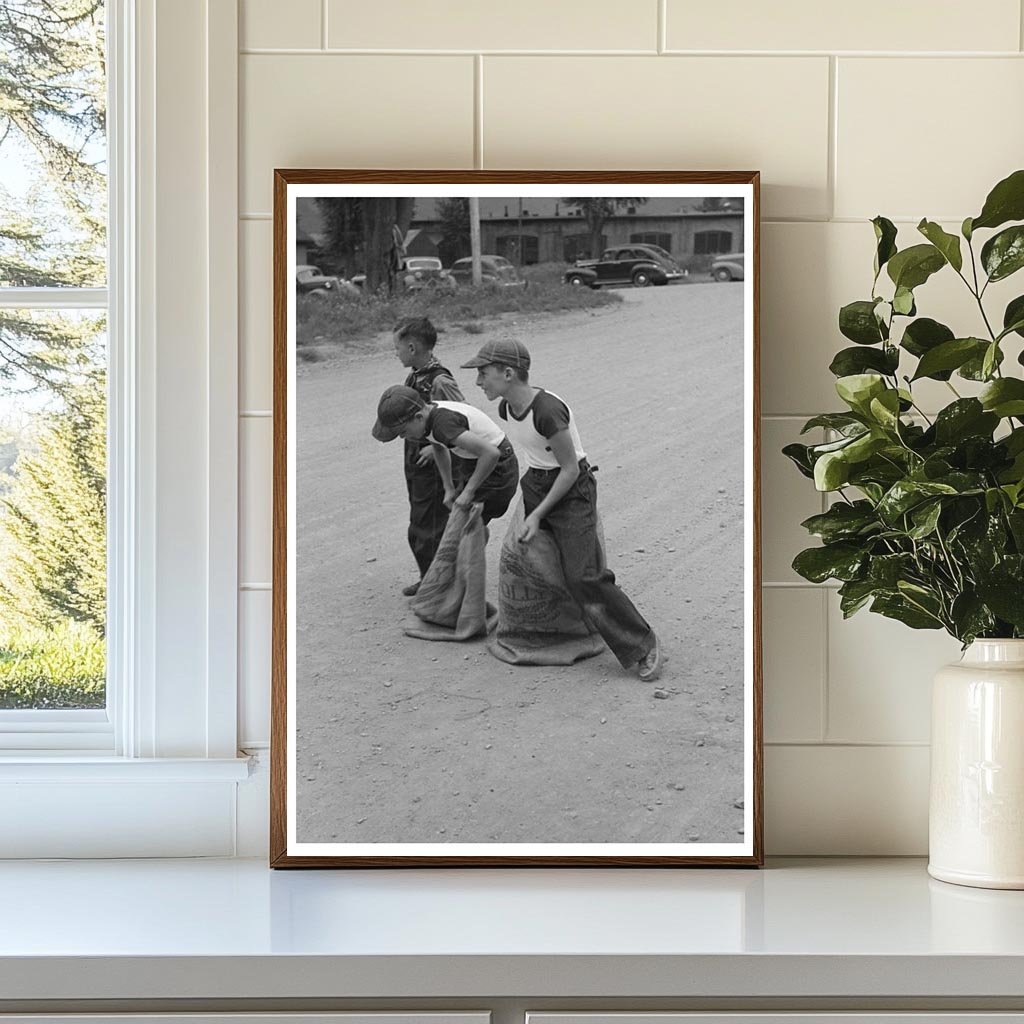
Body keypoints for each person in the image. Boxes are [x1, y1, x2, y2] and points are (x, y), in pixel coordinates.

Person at [461, 338, 662, 682]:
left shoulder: (547, 410)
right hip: (537, 484)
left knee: (584, 575)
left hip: (571, 492)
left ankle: (642, 644)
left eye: (484, 373)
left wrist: (537, 515)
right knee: (522, 559)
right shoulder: (507, 408)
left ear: (508, 373)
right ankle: (554, 631)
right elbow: (537, 458)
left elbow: (569, 469)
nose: (479, 382)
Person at [372, 317, 464, 597]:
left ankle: (439, 586)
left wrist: (435, 448)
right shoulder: (416, 375)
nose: (395, 353)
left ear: (411, 347)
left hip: (435, 463)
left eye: (397, 347)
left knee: (430, 526)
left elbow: (460, 419)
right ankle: (430, 577)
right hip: (417, 461)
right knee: (420, 523)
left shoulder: (440, 380)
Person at [373, 385, 518, 528]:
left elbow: (490, 453)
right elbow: (439, 448)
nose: (402, 437)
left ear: (418, 417)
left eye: (403, 431)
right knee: (463, 525)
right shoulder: (428, 416)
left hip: (498, 468)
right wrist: (448, 487)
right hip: (474, 461)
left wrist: (468, 492)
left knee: (462, 529)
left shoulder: (443, 424)